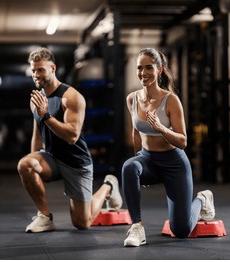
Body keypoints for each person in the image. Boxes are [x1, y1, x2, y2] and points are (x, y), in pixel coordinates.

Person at [17, 47, 122, 232]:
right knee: (25, 165)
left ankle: (108, 185)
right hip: (52, 158)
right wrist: (35, 164)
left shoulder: (71, 97)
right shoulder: (37, 99)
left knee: (82, 223)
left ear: (53, 68)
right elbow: (38, 133)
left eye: (40, 69)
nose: (36, 75)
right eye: (33, 70)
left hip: (75, 162)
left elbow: (72, 136)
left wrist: (47, 116)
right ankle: (44, 217)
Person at [122, 48, 215, 247]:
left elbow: (182, 141)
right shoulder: (132, 99)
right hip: (147, 159)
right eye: (139, 68)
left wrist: (160, 127)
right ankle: (137, 227)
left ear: (159, 70)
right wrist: (138, 166)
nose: (143, 73)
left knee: (181, 230)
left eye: (149, 67)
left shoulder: (171, 100)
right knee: (129, 167)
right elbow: (135, 133)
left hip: (174, 163)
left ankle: (202, 199)